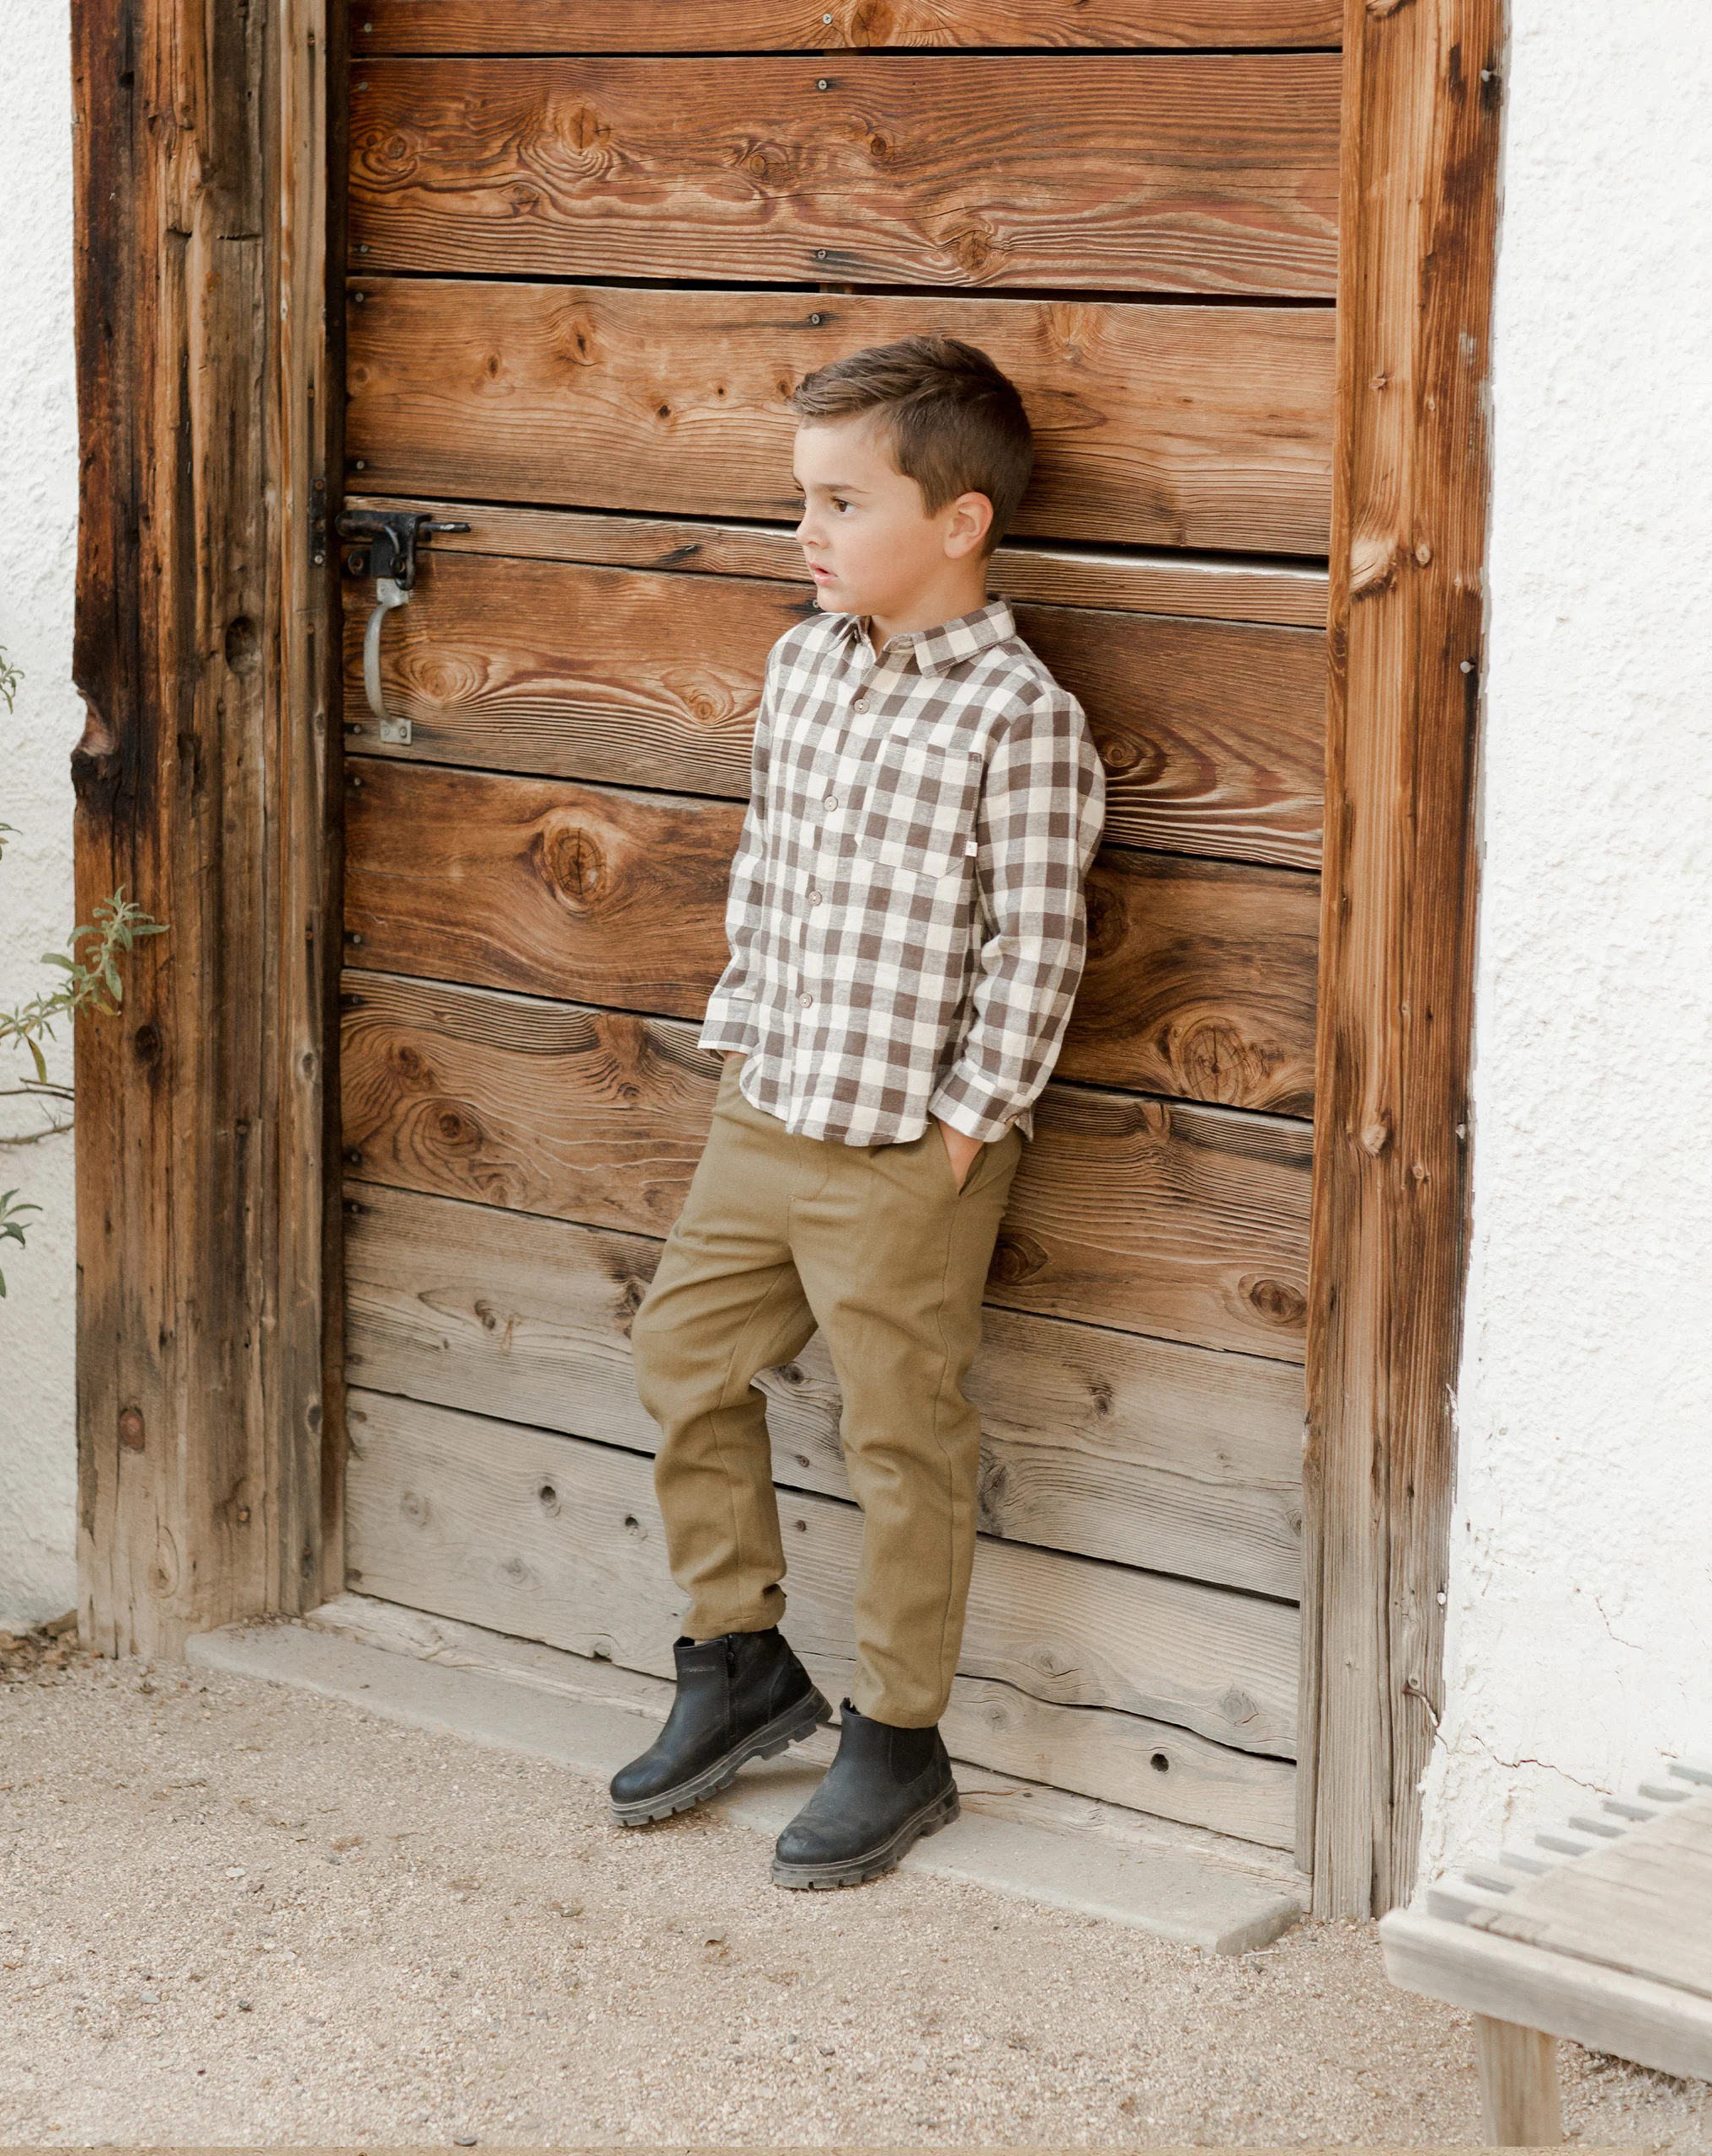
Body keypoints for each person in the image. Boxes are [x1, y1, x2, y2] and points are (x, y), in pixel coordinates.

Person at [610, 334, 1107, 1889]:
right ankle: (740, 1659)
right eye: (799, 502)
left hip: (910, 1144)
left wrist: (969, 1124)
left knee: (903, 1434)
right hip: (772, 1108)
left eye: (840, 503)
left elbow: (1040, 942)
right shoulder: (801, 665)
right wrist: (741, 1041)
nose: (805, 536)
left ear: (957, 521)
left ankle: (898, 1737)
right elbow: (770, 867)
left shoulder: (1018, 718)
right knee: (682, 1357)